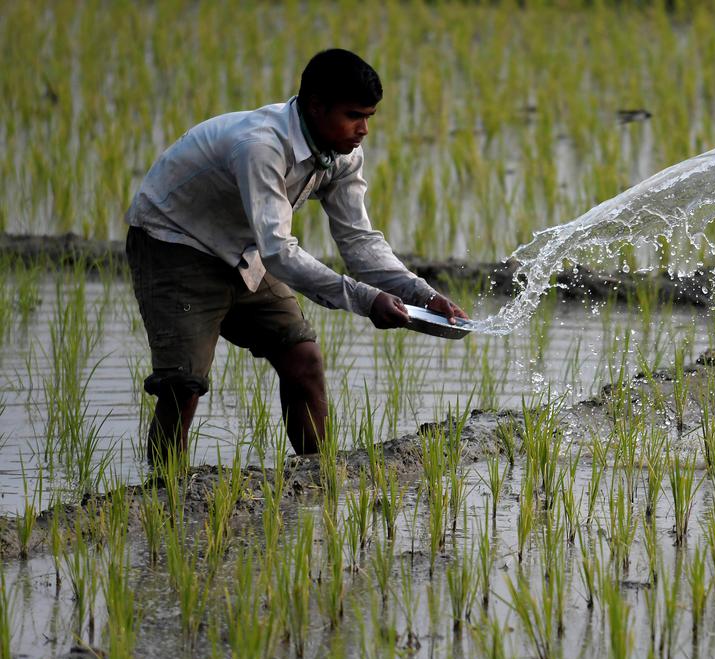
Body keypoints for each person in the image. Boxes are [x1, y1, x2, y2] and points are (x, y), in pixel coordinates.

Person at [125, 48, 467, 465]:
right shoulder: (261, 146)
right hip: (175, 243)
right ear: (316, 106)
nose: (363, 130)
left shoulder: (341, 154)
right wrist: (366, 300)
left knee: (302, 360)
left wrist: (421, 295)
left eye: (369, 117)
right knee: (183, 383)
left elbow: (359, 241)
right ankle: (165, 498)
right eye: (354, 115)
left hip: (243, 249)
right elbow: (279, 252)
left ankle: (316, 480)